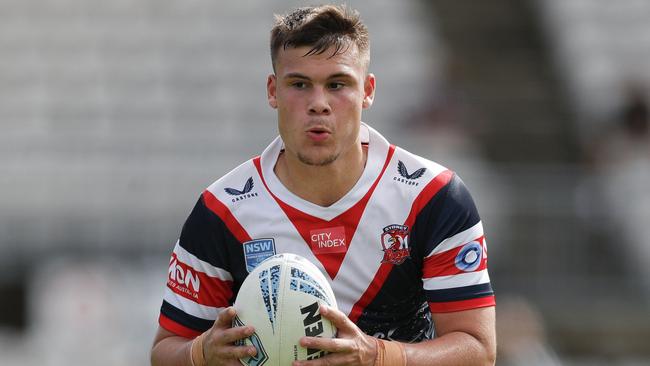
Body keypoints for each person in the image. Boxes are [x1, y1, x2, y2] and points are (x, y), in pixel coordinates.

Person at [150, 4, 496, 366]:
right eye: (299, 84)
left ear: (367, 91)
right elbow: (164, 351)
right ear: (273, 91)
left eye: (337, 84)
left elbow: (478, 350)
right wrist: (201, 354)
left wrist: (379, 357)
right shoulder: (222, 211)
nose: (319, 104)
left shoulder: (433, 198)